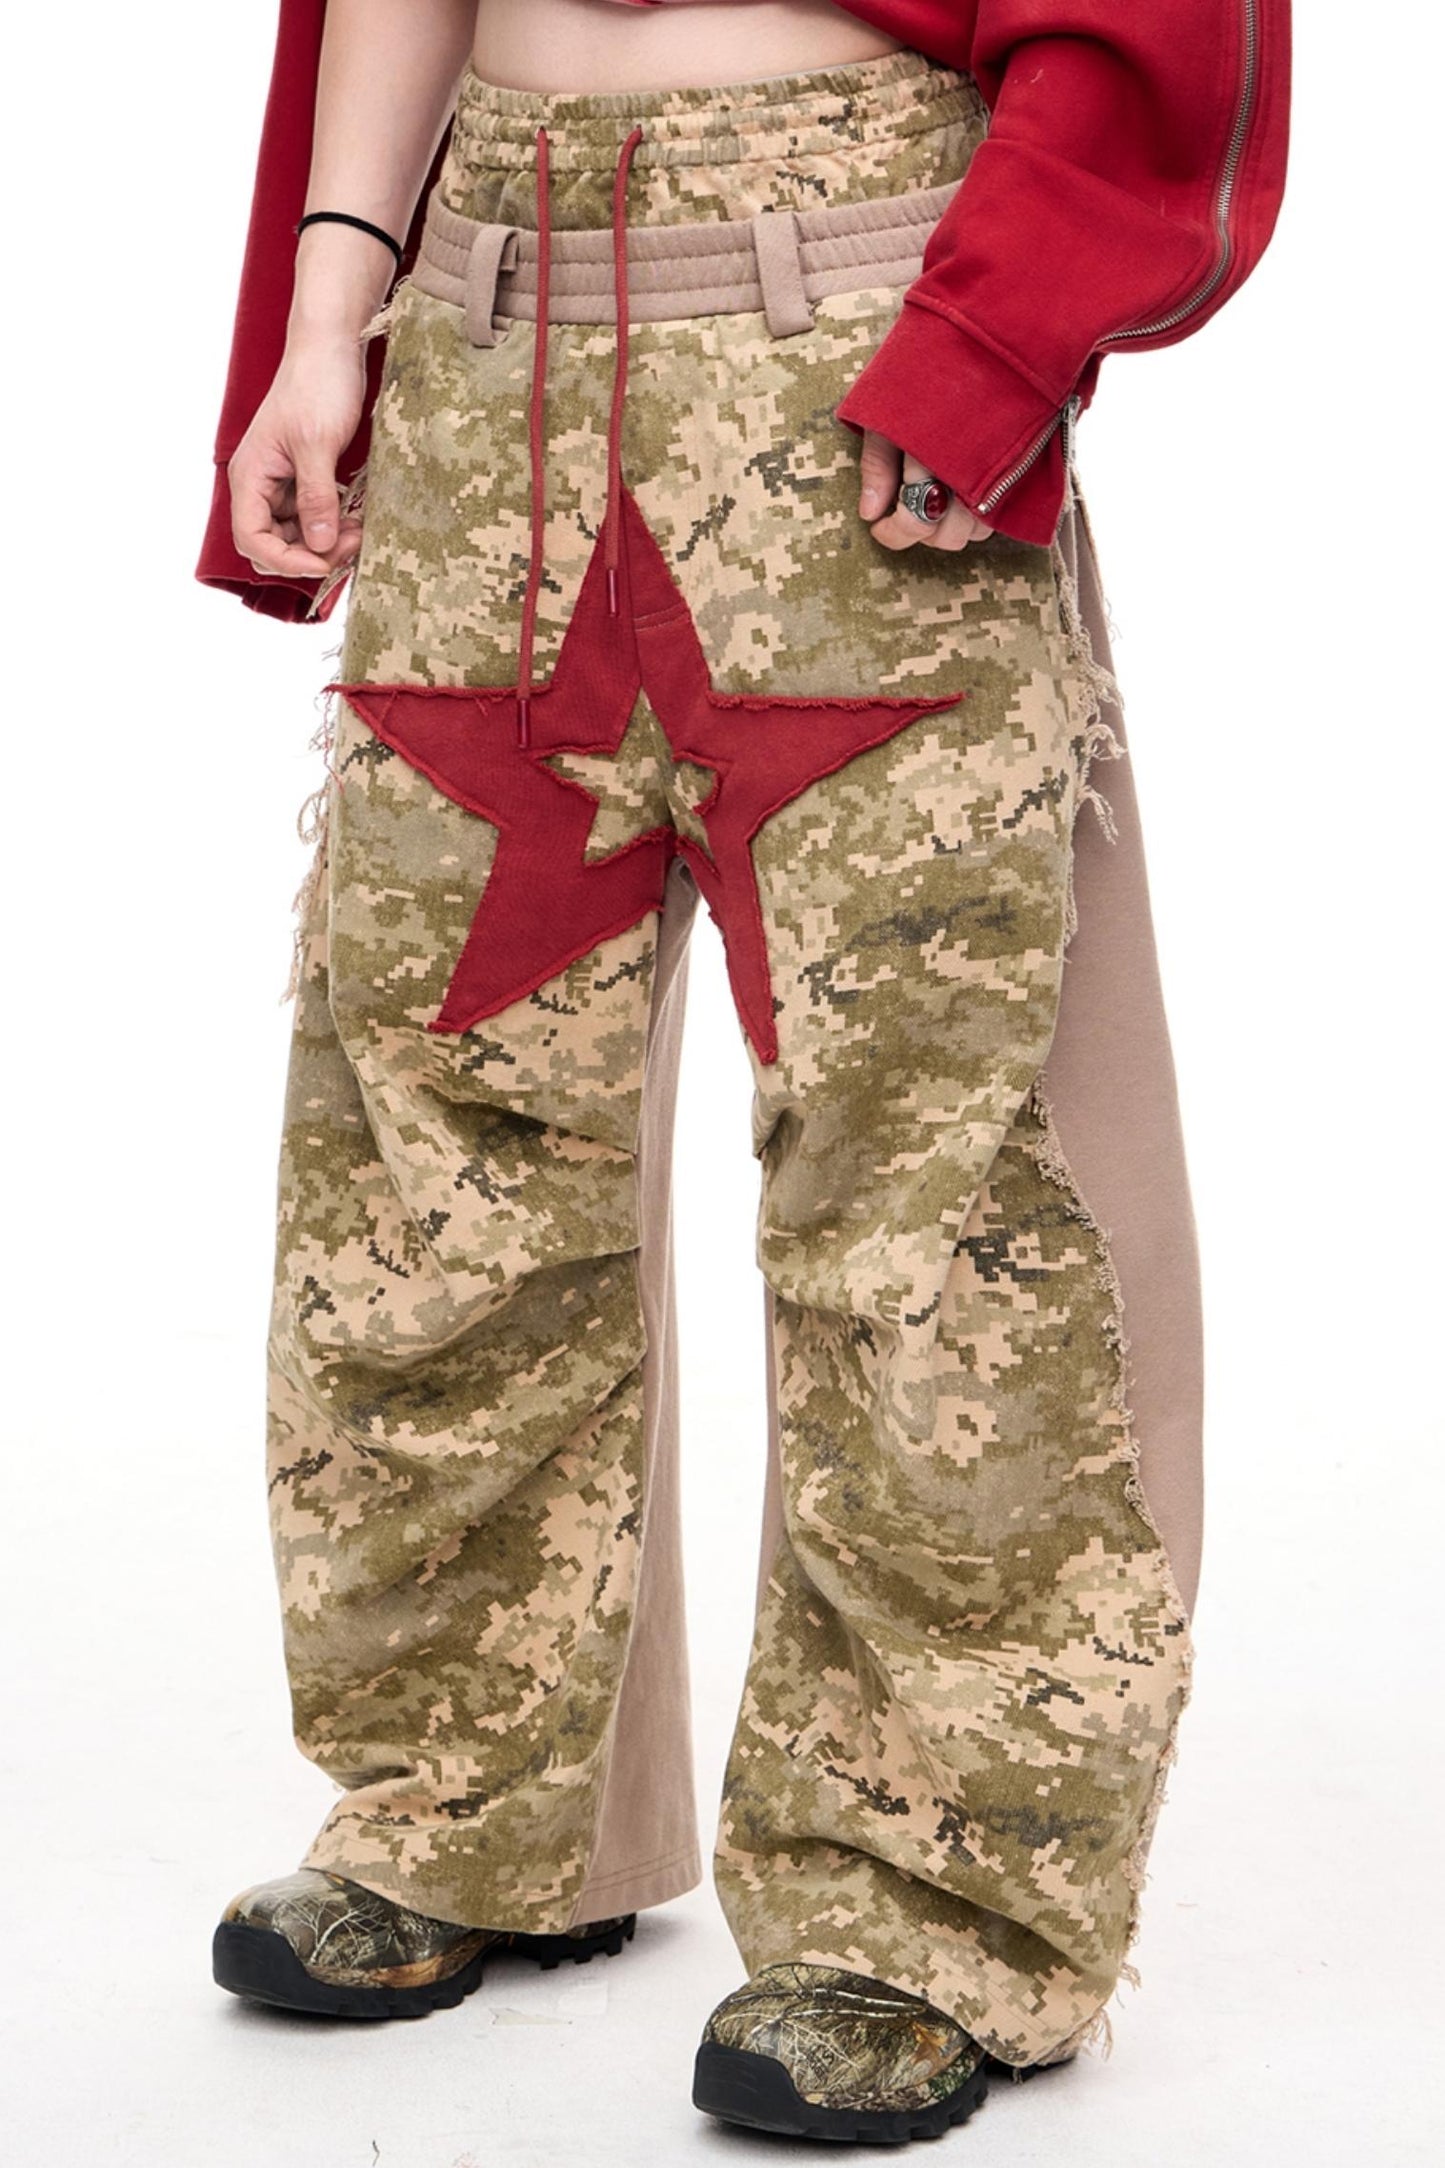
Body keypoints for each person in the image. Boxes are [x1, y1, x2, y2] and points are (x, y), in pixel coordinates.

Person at [197, 0, 1290, 2143]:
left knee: (931, 1166)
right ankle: (472, 1797)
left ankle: (930, 1898)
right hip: (482, 293)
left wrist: (995, 333)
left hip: (851, 304)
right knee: (434, 1146)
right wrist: (333, 309)